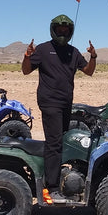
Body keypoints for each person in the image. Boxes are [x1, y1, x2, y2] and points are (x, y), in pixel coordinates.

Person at [22, 14, 96, 204]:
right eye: (59, 29)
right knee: (54, 142)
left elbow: (88, 71)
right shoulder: (44, 49)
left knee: (61, 139)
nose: (63, 32)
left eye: (66, 30)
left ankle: (55, 173)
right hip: (49, 102)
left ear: (70, 31)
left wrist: (93, 56)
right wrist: (27, 56)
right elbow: (26, 70)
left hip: (66, 103)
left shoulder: (73, 52)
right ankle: (52, 188)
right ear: (53, 30)